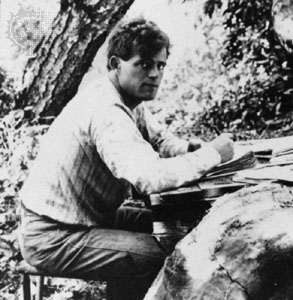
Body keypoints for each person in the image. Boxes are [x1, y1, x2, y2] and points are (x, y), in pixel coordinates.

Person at [18, 18, 234, 300]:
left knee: (177, 226)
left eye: (160, 65)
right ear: (115, 65)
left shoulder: (125, 98)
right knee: (160, 256)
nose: (155, 74)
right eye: (144, 64)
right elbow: (150, 177)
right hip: (52, 236)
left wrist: (187, 149)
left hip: (87, 218)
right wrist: (212, 154)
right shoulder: (106, 109)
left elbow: (158, 139)